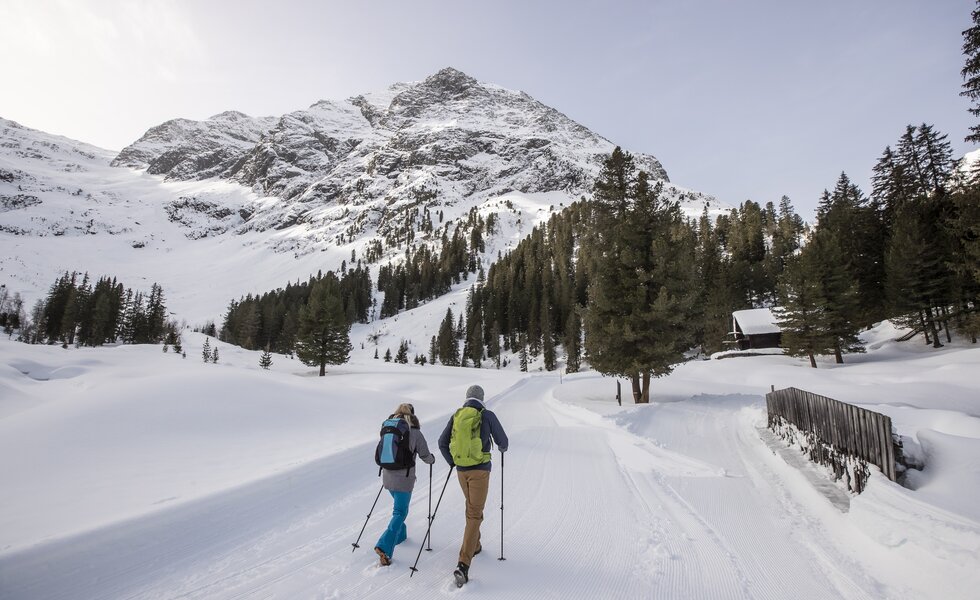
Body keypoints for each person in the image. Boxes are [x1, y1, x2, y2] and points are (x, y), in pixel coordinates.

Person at [438, 385, 508, 586]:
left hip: (462, 470)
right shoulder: (487, 415)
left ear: (467, 397)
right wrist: (501, 448)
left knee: (471, 508)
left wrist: (453, 462)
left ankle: (475, 545)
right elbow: (503, 442)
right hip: (480, 470)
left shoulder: (456, 416)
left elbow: (442, 442)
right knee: (475, 513)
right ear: (482, 398)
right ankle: (463, 564)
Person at [374, 403, 435, 566]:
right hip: (404, 479)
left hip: (387, 477)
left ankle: (400, 536)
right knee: (400, 512)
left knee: (399, 509)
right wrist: (432, 460)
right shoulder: (415, 432)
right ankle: (384, 546)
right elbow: (425, 455)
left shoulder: (388, 428)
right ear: (413, 415)